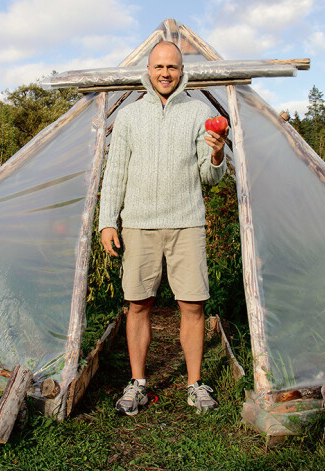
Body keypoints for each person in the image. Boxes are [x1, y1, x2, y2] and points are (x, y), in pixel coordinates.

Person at [98, 41, 228, 416]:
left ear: (182, 69)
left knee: (193, 304)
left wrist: (218, 152)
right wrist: (109, 221)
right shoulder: (129, 117)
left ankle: (194, 384)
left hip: (187, 221)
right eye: (159, 66)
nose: (166, 73)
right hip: (139, 224)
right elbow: (116, 172)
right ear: (149, 69)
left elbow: (211, 176)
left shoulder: (199, 112)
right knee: (138, 304)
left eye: (172, 66)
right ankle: (137, 383)